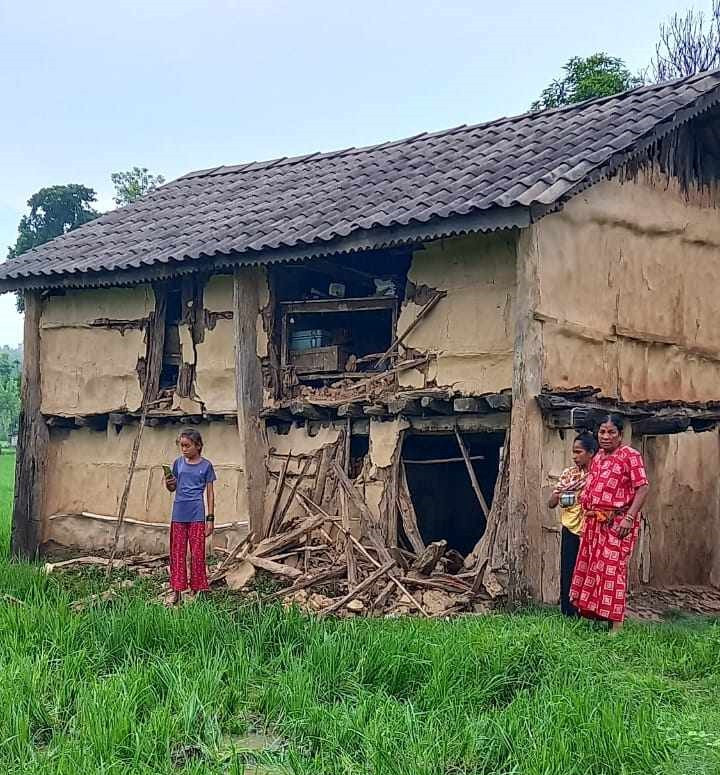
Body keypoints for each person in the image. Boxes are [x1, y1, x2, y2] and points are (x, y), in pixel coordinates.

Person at [570, 414, 649, 632]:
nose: (606, 436)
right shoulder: (598, 458)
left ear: (620, 435)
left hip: (618, 523)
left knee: (613, 571)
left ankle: (617, 625)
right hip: (595, 523)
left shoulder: (630, 456)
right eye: (602, 432)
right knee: (593, 569)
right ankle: (595, 616)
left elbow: (642, 488)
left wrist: (629, 518)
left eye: (611, 432)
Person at [548, 431, 598, 617]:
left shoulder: (598, 476)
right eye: (573, 452)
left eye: (579, 452)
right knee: (569, 569)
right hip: (571, 528)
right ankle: (568, 611)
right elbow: (551, 503)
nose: (574, 456)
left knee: (589, 571)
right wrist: (561, 492)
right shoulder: (569, 475)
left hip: (592, 529)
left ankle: (588, 610)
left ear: (591, 453)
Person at [163, 429, 216, 606]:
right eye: (181, 446)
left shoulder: (206, 466)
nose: (184, 449)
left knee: (197, 553)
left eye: (187, 445)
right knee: (177, 553)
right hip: (178, 513)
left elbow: (210, 493)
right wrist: (169, 484)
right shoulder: (178, 464)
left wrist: (210, 518)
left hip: (197, 514)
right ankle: (177, 591)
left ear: (198, 446)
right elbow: (173, 489)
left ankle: (199, 587)